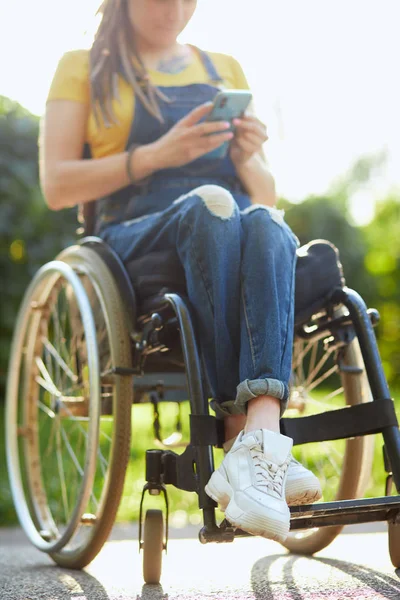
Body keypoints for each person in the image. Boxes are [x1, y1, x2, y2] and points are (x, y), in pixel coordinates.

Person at [40, 0, 321, 543]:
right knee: (213, 203)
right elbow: (56, 185)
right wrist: (154, 156)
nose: (173, 6)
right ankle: (245, 438)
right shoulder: (82, 65)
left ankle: (257, 436)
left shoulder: (225, 67)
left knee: (263, 218)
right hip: (136, 236)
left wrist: (247, 158)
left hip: (230, 228)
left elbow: (264, 193)